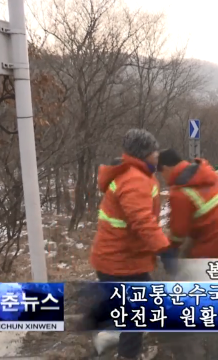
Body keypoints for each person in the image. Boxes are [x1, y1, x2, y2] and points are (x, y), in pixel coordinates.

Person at [85, 129, 170, 360]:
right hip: (120, 262)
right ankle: (128, 355)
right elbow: (142, 221)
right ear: (144, 154)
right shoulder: (135, 179)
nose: (157, 155)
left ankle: (121, 343)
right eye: (154, 151)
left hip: (121, 258)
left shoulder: (136, 174)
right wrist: (165, 249)